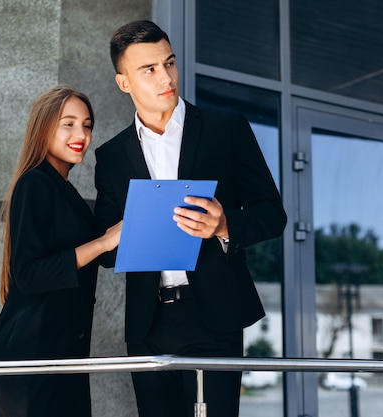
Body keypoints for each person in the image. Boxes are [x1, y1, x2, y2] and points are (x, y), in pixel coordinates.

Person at [93, 20, 287, 417]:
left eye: (169, 63)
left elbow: (273, 215)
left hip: (215, 314)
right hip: (148, 324)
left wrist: (224, 225)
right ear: (124, 83)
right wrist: (117, 237)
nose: (165, 77)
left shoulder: (225, 129)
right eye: (148, 69)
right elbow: (106, 251)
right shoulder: (111, 155)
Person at [0, 85, 121, 417]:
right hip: (31, 356)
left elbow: (103, 258)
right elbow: (29, 275)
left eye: (87, 125)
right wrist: (103, 242)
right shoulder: (34, 183)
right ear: (44, 127)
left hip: (65, 353)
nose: (82, 134)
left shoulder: (67, 193)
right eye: (69, 123)